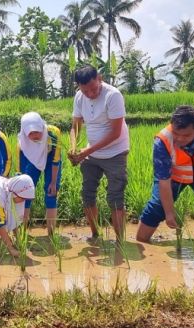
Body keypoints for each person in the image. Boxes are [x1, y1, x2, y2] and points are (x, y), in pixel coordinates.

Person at [136, 105, 194, 244]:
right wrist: (169, 213)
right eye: (176, 133)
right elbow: (164, 181)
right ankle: (141, 242)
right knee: (157, 207)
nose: (180, 139)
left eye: (186, 135)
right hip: (174, 177)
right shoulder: (162, 141)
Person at [68, 66, 130, 242]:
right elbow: (76, 126)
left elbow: (115, 132)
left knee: (115, 196)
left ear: (100, 78)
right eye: (84, 90)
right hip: (92, 153)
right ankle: (95, 235)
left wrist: (87, 151)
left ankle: (120, 241)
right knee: (87, 194)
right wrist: (73, 148)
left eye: (93, 89)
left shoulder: (113, 95)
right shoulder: (80, 97)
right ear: (79, 87)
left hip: (115, 152)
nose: (90, 94)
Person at [17, 112, 62, 235]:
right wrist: (20, 183)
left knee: (51, 194)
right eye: (30, 133)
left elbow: (55, 160)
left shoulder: (53, 133)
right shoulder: (22, 141)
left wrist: (53, 183)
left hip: (50, 160)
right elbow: (20, 165)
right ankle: (23, 233)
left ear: (42, 127)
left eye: (37, 131)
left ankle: (51, 234)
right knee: (25, 194)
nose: (34, 135)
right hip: (31, 160)